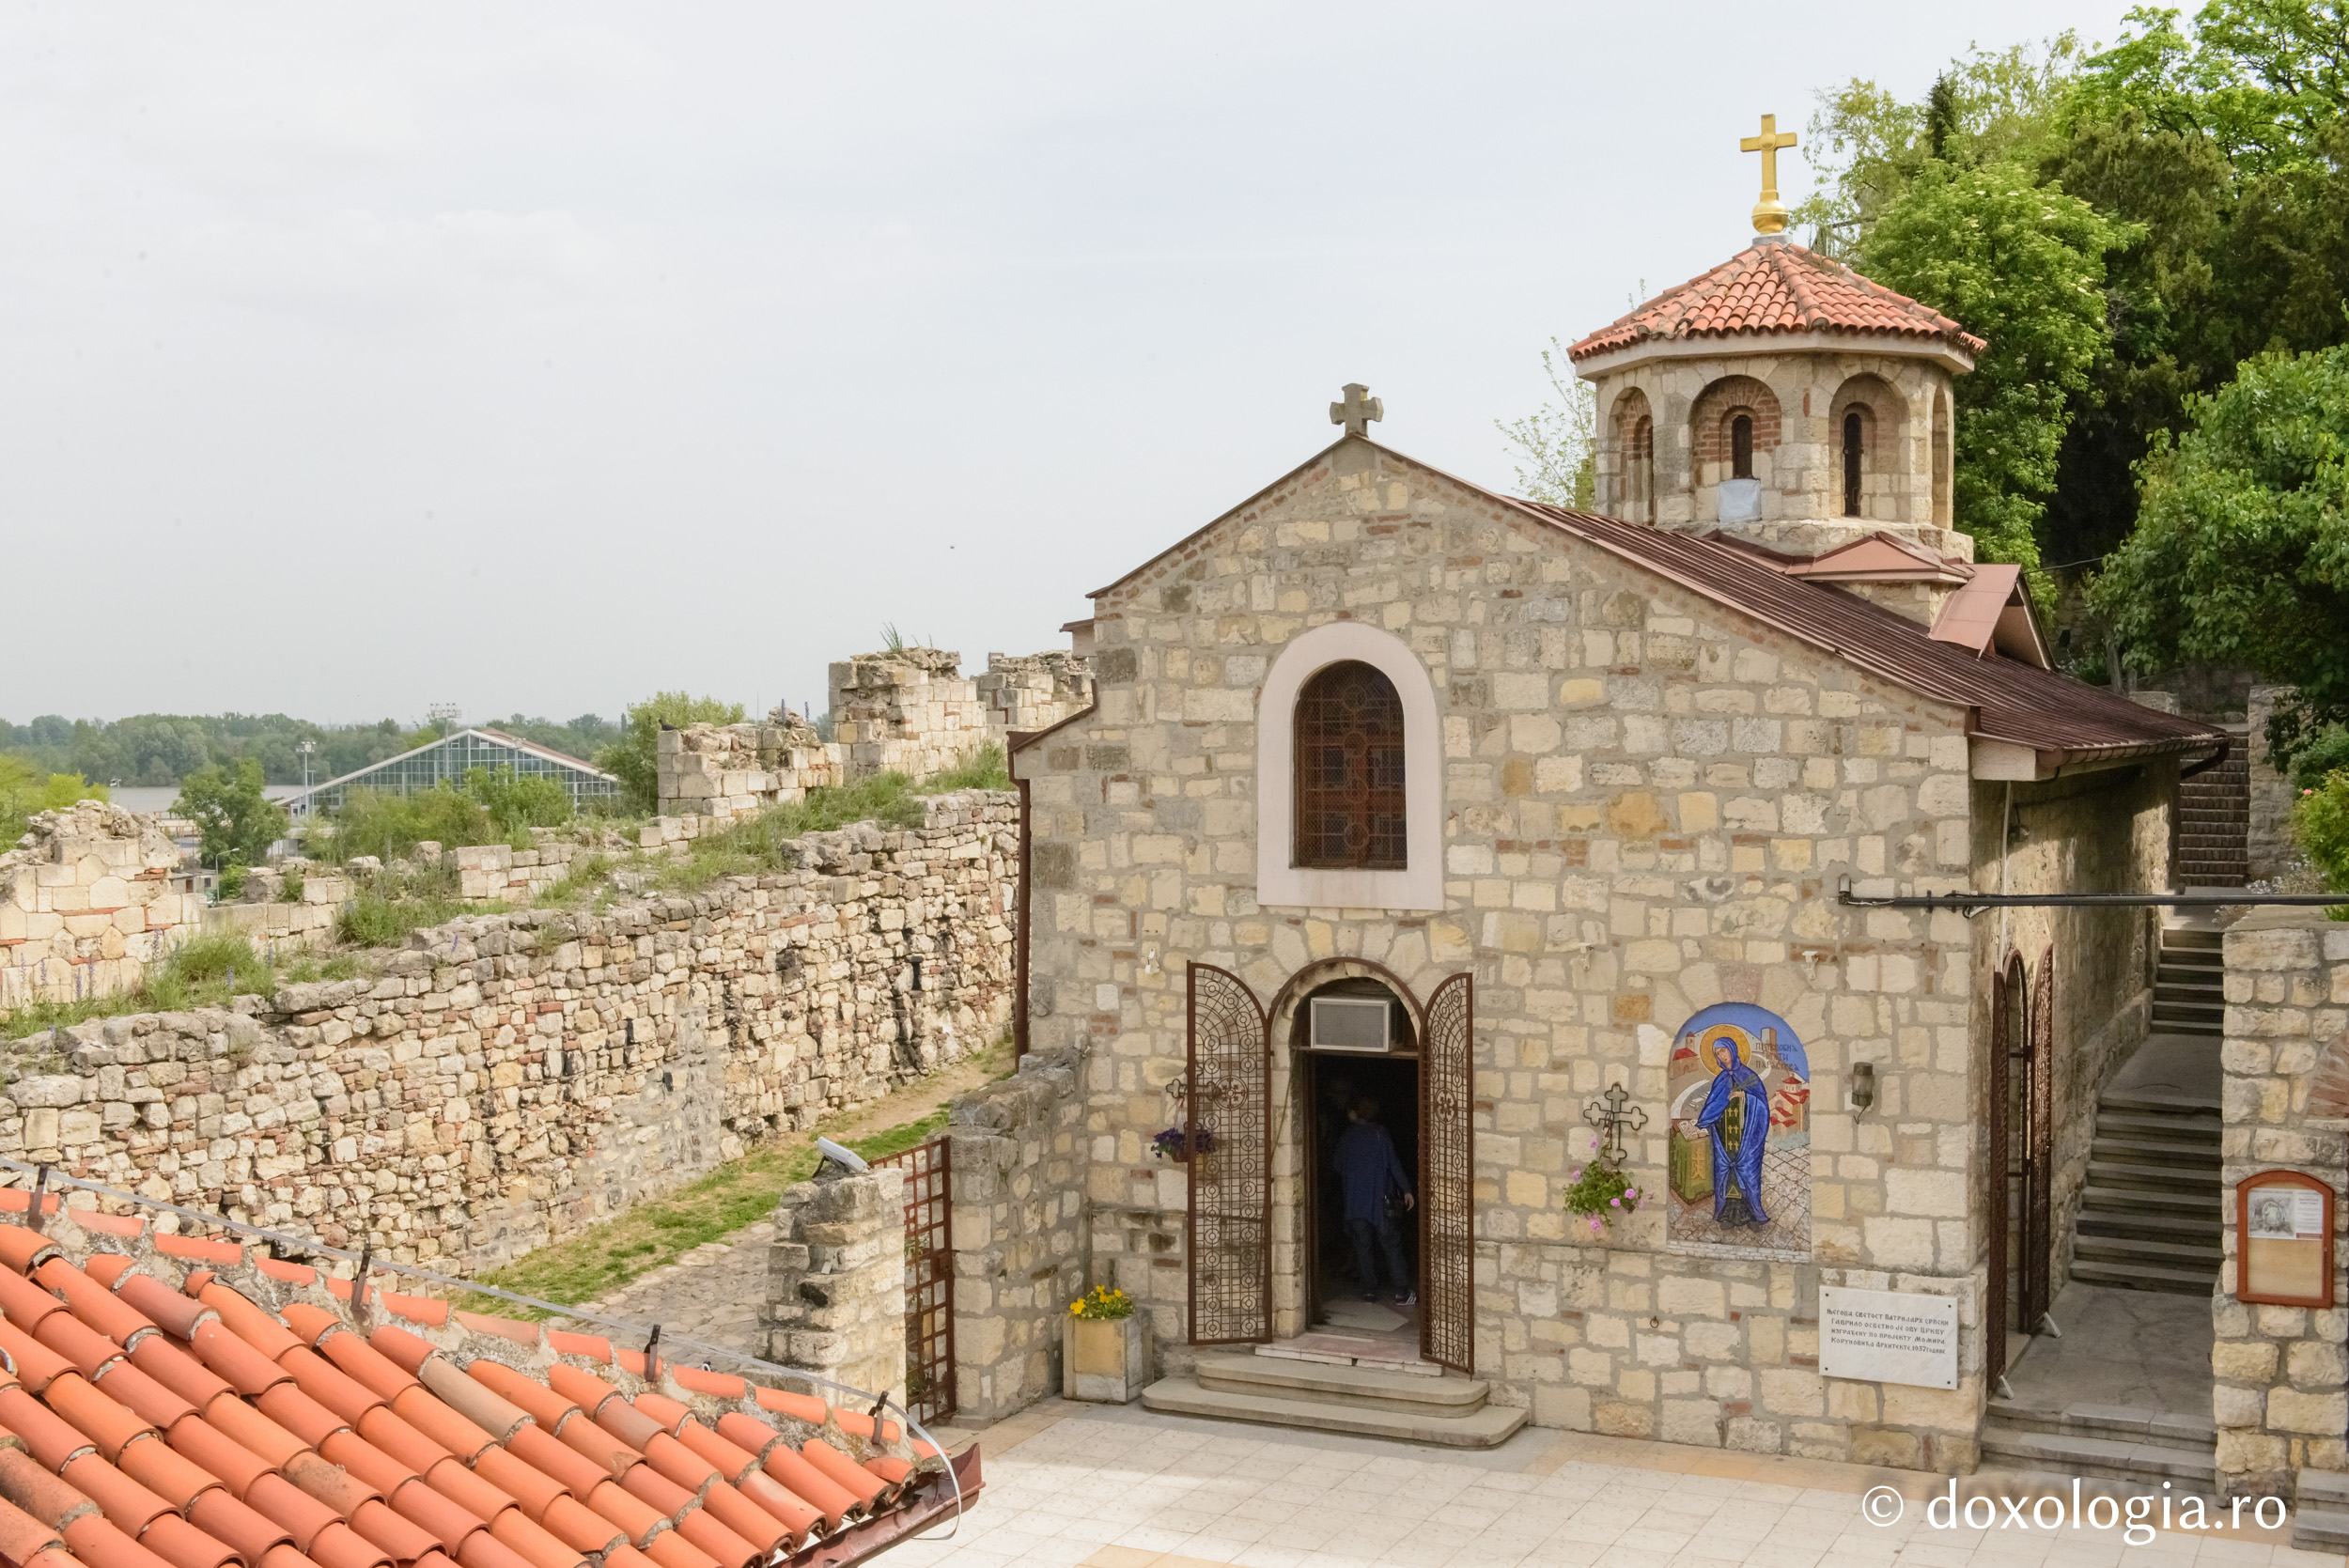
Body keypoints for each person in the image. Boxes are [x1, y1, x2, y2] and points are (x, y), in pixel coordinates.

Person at [1332, 1096, 1415, 1306]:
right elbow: (1393, 1163)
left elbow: (1337, 1166)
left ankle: (1369, 1291)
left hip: (1355, 1201)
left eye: (1350, 1110)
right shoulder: (1380, 1134)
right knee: (1391, 1245)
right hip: (1380, 1201)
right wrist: (1406, 1189)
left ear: (1355, 1112)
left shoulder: (1347, 1136)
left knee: (1363, 1247)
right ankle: (1402, 1292)